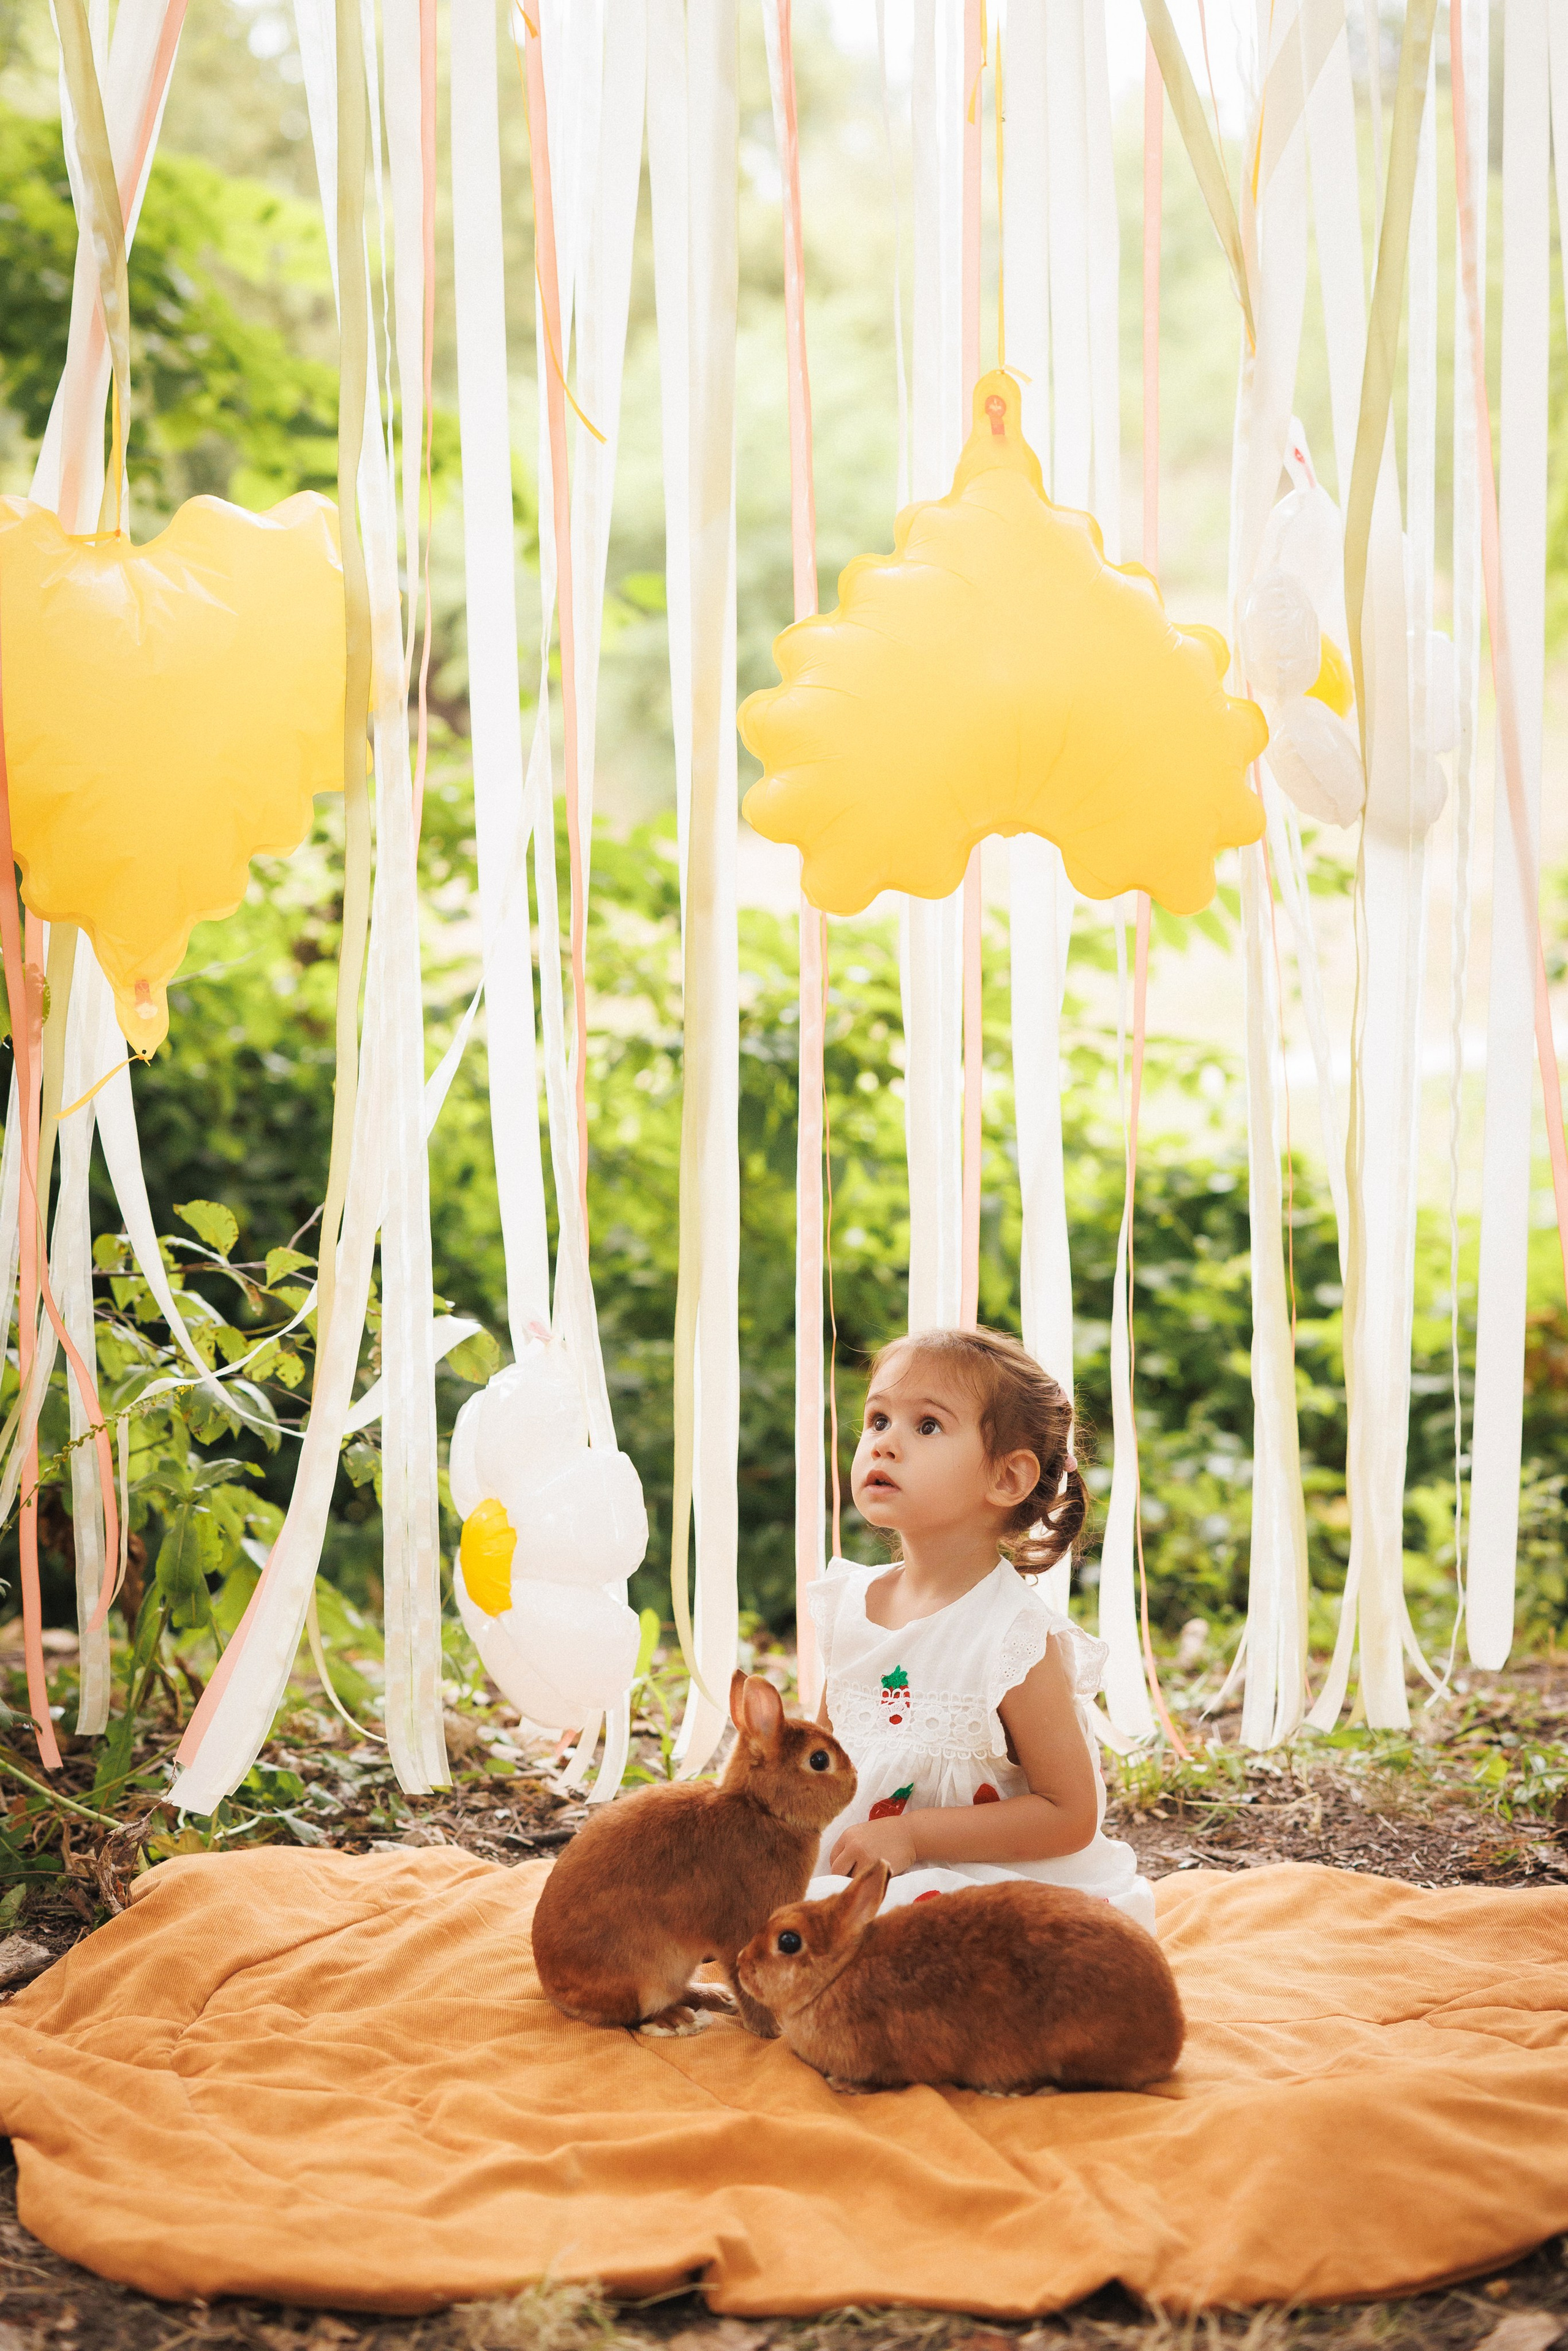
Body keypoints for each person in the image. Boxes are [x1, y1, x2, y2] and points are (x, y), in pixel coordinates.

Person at [806, 1326, 1156, 1934]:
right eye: (878, 1420)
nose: (884, 1445)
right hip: (857, 1864)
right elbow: (818, 1760)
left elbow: (1069, 1813)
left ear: (1006, 1478)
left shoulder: (1012, 1637)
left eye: (927, 1426)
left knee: (893, 1931)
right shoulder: (850, 1605)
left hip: (978, 1880)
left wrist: (912, 1834)